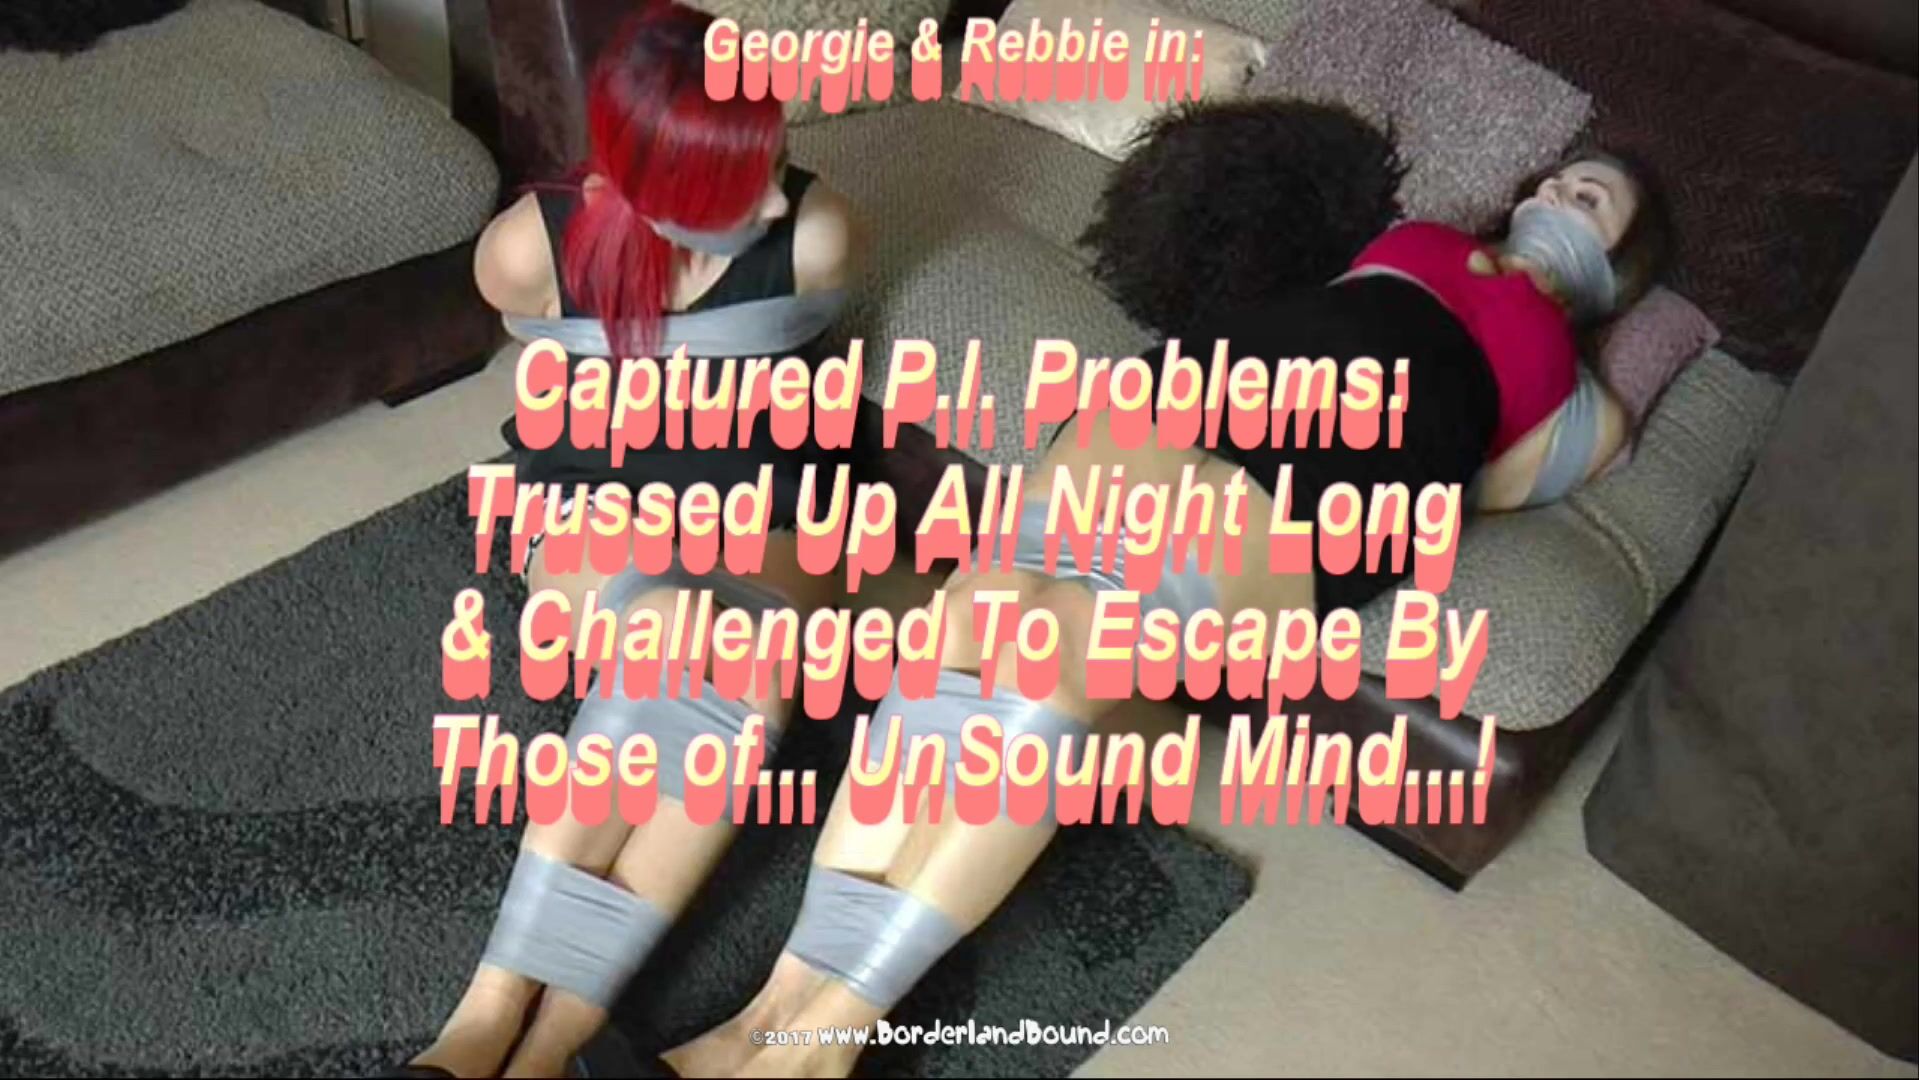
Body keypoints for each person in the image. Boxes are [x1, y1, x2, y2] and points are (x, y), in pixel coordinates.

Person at [653, 149, 1670, 1077]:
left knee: (1050, 679)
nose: (1556, 192)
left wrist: (1543, 339)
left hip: (1331, 468)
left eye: (1590, 199)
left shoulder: (1569, 388)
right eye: (1556, 178)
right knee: (958, 631)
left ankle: (826, 1042)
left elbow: (1506, 478)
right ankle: (768, 1014)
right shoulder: (1422, 239)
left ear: (1615, 265)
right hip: (1187, 393)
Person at [393, 2, 862, 1076]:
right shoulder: (526, 247)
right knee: (662, 642)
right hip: (593, 494)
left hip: (759, 502)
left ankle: (553, 1043)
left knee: (745, 689)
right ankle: (488, 1011)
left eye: (768, 161)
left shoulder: (818, 231)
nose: (766, 199)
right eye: (730, 180)